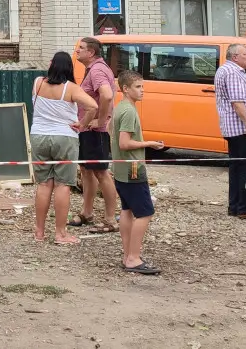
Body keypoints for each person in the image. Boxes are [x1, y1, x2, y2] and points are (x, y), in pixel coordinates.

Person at [30, 52, 99, 245]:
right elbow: (93, 106)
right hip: (64, 137)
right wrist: (83, 124)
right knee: (62, 184)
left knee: (44, 184)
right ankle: (60, 233)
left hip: (39, 136)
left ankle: (39, 232)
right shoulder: (71, 88)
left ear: (52, 65)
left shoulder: (37, 83)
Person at [110, 71, 165, 274]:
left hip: (121, 168)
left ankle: (128, 255)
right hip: (132, 168)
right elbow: (124, 143)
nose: (142, 91)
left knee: (127, 210)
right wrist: (149, 143)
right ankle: (133, 258)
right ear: (125, 89)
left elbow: (113, 134)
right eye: (138, 87)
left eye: (142, 86)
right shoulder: (129, 111)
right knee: (145, 213)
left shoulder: (120, 108)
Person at [73, 37, 118, 234]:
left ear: (91, 52)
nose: (77, 52)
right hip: (87, 130)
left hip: (95, 131)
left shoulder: (98, 70)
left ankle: (110, 219)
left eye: (81, 48)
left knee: (101, 171)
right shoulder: (93, 69)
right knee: (86, 170)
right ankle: (87, 212)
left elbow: (107, 95)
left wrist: (100, 120)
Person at [215, 44, 246, 220]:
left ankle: (235, 206)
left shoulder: (226, 70)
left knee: (236, 167)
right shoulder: (234, 73)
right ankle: (245, 208)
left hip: (233, 127)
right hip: (240, 128)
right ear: (235, 57)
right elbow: (238, 102)